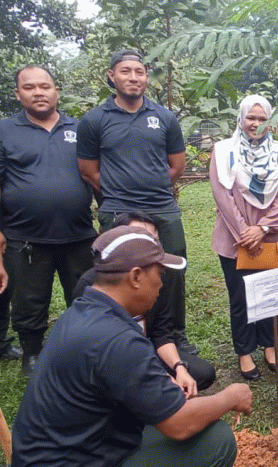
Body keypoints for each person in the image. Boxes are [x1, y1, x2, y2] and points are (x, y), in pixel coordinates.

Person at [11, 225, 252, 467]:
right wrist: (231, 397)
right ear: (136, 277)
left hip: (53, 451)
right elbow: (180, 425)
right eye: (159, 275)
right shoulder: (119, 340)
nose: (161, 286)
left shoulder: (83, 311)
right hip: (71, 460)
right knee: (216, 440)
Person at [77, 49, 198, 355]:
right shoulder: (94, 120)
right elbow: (89, 170)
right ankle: (124, 334)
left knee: (172, 271)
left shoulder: (163, 117)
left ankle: (173, 335)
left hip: (162, 208)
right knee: (121, 271)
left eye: (139, 72)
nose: (133, 78)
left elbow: (177, 165)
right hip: (117, 208)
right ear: (112, 76)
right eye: (126, 71)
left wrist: (153, 189)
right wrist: (121, 193)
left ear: (146, 76)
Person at [0, 65, 97, 376]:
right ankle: (32, 353)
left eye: (45, 86)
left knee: (84, 296)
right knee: (29, 301)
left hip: (79, 234)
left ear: (56, 91)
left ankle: (82, 347)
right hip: (25, 237)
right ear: (18, 94)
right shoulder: (5, 131)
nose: (38, 92)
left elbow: (95, 176)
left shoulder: (81, 128)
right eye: (29, 87)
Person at [72, 212, 216, 393]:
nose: (148, 245)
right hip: (113, 363)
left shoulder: (162, 275)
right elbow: (97, 352)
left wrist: (179, 367)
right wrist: (159, 378)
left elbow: (162, 333)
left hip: (148, 351)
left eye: (153, 240)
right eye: (138, 238)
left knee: (202, 373)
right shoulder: (92, 286)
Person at [210, 94, 278, 381]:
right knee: (240, 297)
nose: (256, 124)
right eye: (251, 117)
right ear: (241, 118)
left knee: (270, 293)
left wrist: (262, 228)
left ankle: (270, 347)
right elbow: (222, 195)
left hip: (271, 237)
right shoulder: (223, 151)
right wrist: (245, 231)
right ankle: (245, 352)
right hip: (235, 238)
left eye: (262, 119)